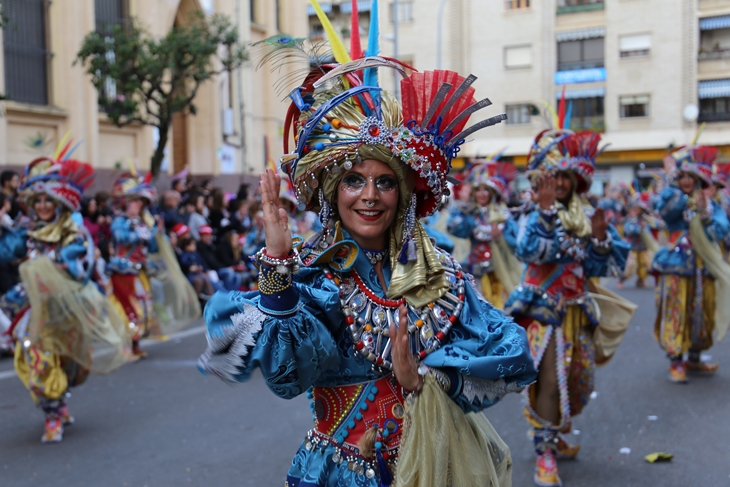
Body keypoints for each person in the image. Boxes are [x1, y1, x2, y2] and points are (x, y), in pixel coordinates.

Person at [198, 18, 537, 485]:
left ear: (405, 194)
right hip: (342, 471)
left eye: (385, 182)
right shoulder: (315, 276)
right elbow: (286, 378)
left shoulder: (439, 275)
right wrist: (277, 266)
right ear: (335, 191)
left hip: (434, 463)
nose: (369, 195)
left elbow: (510, 354)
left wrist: (425, 379)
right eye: (354, 180)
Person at [504, 129, 633, 487]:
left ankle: (553, 429)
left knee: (577, 381)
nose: (558, 182)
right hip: (543, 313)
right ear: (539, 178)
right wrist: (545, 215)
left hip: (578, 312)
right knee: (548, 380)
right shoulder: (527, 213)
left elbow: (600, 267)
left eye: (564, 175)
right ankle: (545, 450)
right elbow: (528, 252)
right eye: (551, 174)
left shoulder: (586, 214)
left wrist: (602, 239)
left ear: (576, 179)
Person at [0, 157, 130, 443]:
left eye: (48, 200)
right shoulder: (29, 233)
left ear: (59, 203)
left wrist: (55, 267)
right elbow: (7, 253)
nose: (43, 206)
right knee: (37, 358)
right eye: (38, 201)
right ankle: (52, 415)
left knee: (70, 363)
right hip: (37, 312)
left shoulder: (74, 235)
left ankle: (59, 401)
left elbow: (79, 273)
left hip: (67, 308)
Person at [652, 145, 730, 382]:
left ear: (699, 179)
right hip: (676, 265)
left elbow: (723, 230)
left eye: (691, 176)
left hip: (703, 267)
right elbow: (664, 212)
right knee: (676, 311)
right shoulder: (674, 198)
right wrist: (671, 181)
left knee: (702, 312)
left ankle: (694, 359)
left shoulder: (711, 204)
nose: (686, 180)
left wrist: (705, 213)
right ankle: (676, 361)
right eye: (682, 176)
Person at [447, 160, 521, 308]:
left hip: (500, 272)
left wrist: (500, 237)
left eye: (485, 189)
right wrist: (464, 207)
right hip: (475, 270)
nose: (481, 193)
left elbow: (516, 244)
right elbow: (455, 229)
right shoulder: (470, 214)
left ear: (492, 192)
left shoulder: (503, 215)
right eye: (478, 189)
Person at [107, 172, 162, 358]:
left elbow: (152, 247)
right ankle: (128, 346)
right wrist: (139, 234)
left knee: (144, 308)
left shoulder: (143, 223)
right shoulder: (120, 221)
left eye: (141, 202)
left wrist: (155, 233)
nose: (139, 205)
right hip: (123, 271)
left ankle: (135, 343)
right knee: (128, 309)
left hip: (140, 271)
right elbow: (120, 238)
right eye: (135, 201)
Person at [618, 192, 660, 288]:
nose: (636, 211)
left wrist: (646, 225)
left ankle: (640, 281)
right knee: (631, 265)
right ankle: (621, 280)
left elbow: (655, 225)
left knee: (645, 265)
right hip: (633, 247)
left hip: (643, 247)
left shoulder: (645, 220)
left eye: (638, 209)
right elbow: (628, 230)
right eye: (635, 209)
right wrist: (638, 228)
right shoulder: (630, 220)